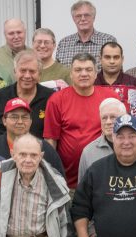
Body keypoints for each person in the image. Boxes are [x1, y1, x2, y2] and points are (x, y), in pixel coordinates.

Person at [44, 53, 112, 188]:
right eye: (78, 70)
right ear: (71, 74)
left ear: (96, 73)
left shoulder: (110, 97)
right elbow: (51, 140)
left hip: (104, 179)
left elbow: (118, 135)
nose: (84, 74)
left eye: (88, 69)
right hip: (67, 182)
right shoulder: (57, 100)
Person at [77, 98, 136, 182]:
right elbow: (83, 190)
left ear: (125, 117)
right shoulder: (89, 152)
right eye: (104, 118)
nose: (108, 122)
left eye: (113, 117)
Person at [0, 97, 66, 176]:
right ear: (4, 120)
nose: (20, 121)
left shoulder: (45, 149)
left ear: (31, 121)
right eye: (14, 117)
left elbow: (59, 181)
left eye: (24, 117)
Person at [0, 50, 56, 139]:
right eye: (23, 70)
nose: (27, 76)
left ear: (39, 74)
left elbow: (54, 136)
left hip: (38, 151)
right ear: (15, 72)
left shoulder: (51, 98)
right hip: (2, 152)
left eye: (32, 71)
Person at [55, 0, 117, 67]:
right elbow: (58, 72)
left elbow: (116, 71)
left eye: (87, 15)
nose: (83, 19)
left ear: (94, 17)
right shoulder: (63, 44)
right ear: (73, 18)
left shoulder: (108, 41)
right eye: (78, 16)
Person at [95, 42, 136, 111]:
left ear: (122, 59)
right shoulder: (92, 83)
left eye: (116, 57)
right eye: (107, 57)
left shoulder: (134, 83)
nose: (112, 61)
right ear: (100, 59)